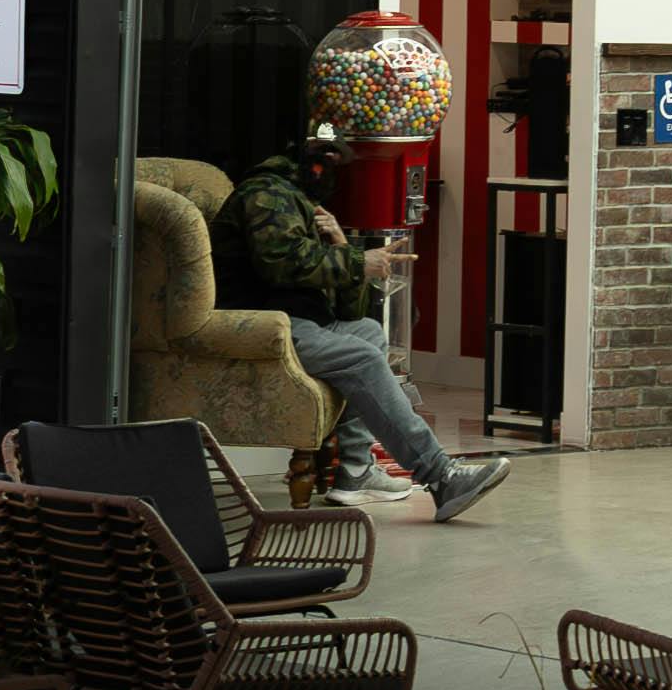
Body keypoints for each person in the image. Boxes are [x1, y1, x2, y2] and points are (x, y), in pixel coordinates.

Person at [212, 149, 505, 518]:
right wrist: (356, 261)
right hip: (262, 324)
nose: (327, 171)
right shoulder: (267, 194)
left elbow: (349, 310)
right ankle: (441, 476)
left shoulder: (306, 206)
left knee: (367, 333)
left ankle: (355, 472)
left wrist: (342, 246)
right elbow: (280, 264)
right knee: (361, 356)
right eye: (322, 162)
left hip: (297, 320)